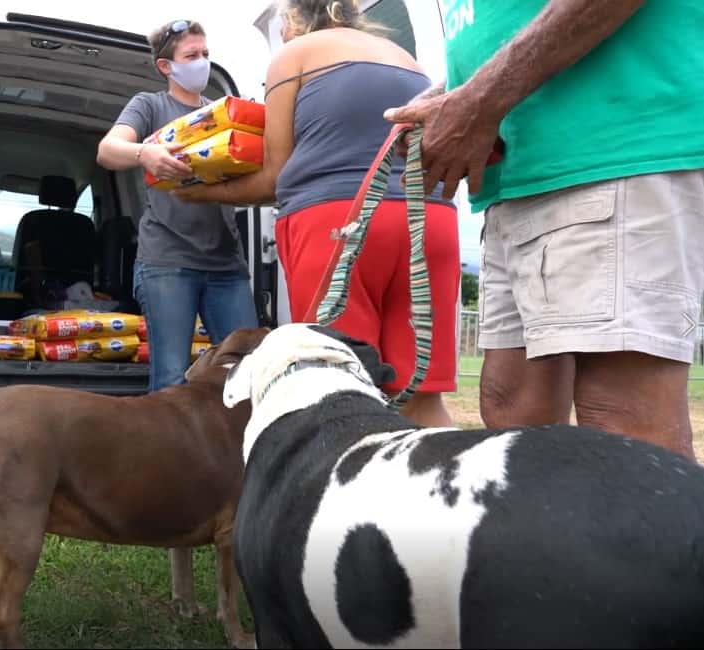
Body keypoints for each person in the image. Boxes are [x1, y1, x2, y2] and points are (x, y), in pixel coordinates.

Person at [385, 0, 704, 459]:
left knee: (625, 426)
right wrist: (453, 96)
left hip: (608, 151)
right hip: (517, 175)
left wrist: (477, 100)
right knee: (511, 412)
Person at [175, 0, 460, 427]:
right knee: (421, 397)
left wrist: (202, 192)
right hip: (430, 221)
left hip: (340, 224)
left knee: (340, 392)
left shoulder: (292, 57)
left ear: (290, 21)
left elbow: (275, 178)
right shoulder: (404, 57)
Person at [95, 18, 260, 616]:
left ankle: (245, 512)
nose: (202, 62)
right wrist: (145, 151)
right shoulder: (151, 103)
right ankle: (172, 532)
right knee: (170, 387)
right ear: (166, 64)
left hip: (226, 266)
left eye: (207, 53)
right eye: (192, 54)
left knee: (252, 383)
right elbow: (108, 150)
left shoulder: (222, 110)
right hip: (168, 262)